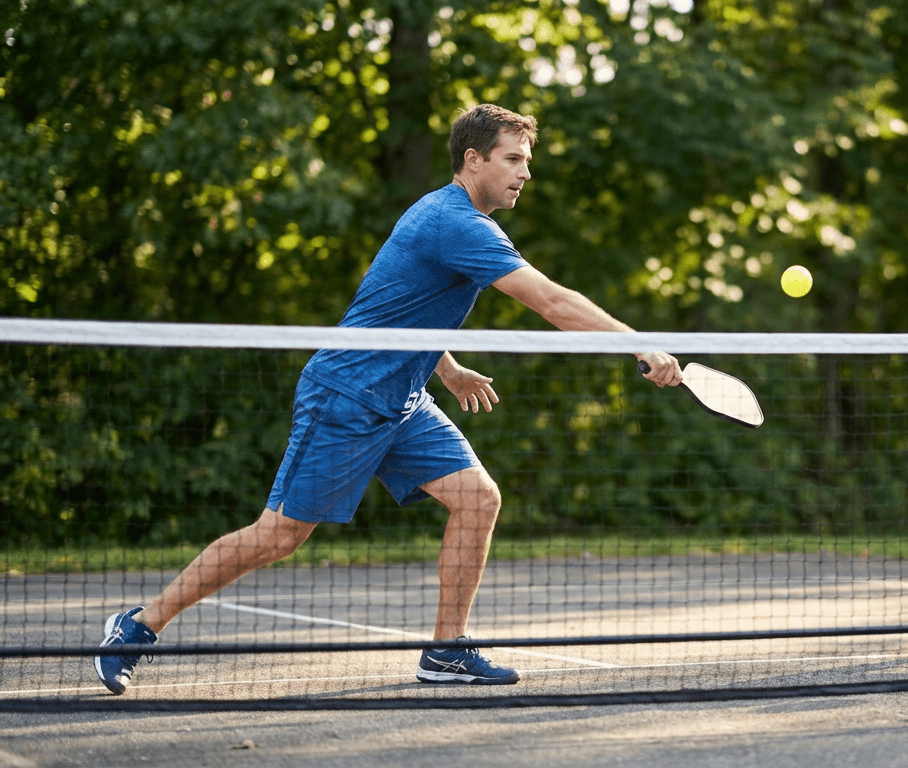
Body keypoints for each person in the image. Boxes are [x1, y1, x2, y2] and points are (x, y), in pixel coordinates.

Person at [93, 104, 683, 694]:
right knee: (278, 536)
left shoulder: (457, 217)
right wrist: (639, 345)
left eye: (527, 162)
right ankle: (140, 625)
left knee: (477, 500)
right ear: (473, 159)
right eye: (513, 160)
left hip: (403, 398)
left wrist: (444, 367)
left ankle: (446, 650)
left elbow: (400, 302)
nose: (524, 173)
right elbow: (552, 302)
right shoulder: (457, 223)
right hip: (346, 395)